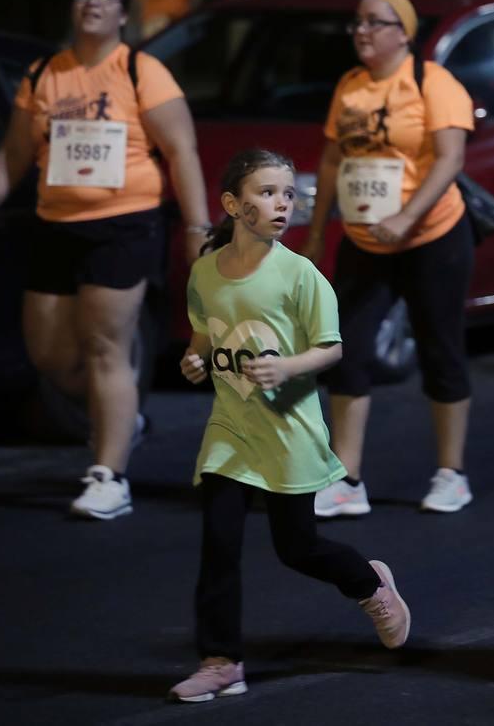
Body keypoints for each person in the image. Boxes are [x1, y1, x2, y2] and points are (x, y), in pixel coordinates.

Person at [171, 148, 410, 704]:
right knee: (219, 543)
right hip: (230, 430)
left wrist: (286, 366)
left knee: (296, 548)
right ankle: (220, 660)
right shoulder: (205, 272)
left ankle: (368, 582)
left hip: (287, 431)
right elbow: (204, 336)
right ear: (232, 204)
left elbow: (333, 350)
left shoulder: (301, 275)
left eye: (287, 194)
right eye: (267, 193)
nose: (282, 204)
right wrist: (194, 359)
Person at [0, 0, 210, 519]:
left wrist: (197, 228)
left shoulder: (141, 71)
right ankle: (123, 419)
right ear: (74, 6)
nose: (93, 1)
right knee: (50, 356)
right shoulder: (44, 75)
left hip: (124, 224)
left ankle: (109, 476)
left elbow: (181, 150)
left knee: (106, 349)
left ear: (123, 14)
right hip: (54, 224)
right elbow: (14, 157)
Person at [303, 0, 478, 517]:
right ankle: (346, 478)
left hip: (433, 237)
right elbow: (334, 159)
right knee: (348, 350)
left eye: (375, 23)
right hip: (365, 241)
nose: (361, 32)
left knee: (439, 350)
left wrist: (407, 216)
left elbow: (450, 159)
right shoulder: (351, 87)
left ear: (403, 33)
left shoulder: (433, 83)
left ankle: (452, 473)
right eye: (357, 23)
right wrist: (315, 231)